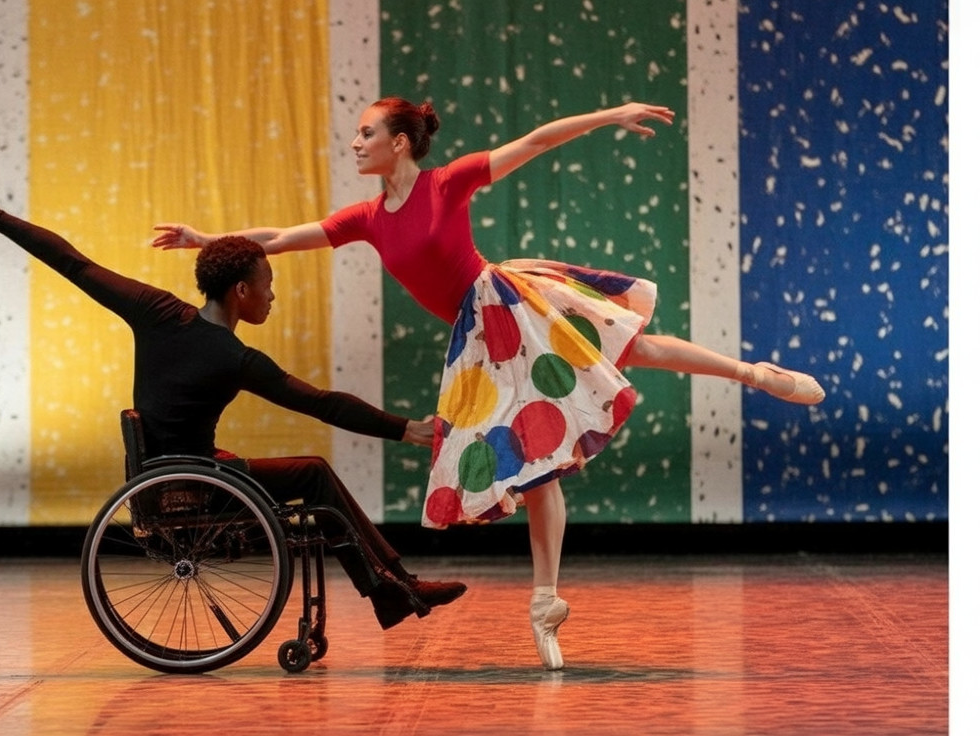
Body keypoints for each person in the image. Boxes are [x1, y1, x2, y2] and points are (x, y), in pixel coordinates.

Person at [150, 97, 826, 669]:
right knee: (538, 459)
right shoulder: (367, 219)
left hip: (505, 301)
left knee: (628, 344)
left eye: (366, 133)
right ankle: (546, 601)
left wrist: (612, 114)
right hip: (478, 338)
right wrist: (208, 238)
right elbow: (279, 235)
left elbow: (533, 141)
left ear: (401, 142)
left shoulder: (447, 184)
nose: (355, 142)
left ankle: (751, 373)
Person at [0, 181, 466, 631]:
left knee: (314, 477)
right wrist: (405, 429)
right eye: (268, 286)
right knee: (315, 478)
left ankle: (392, 589)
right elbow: (322, 404)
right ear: (240, 290)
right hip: (192, 489)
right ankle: (393, 589)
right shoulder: (235, 358)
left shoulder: (158, 312)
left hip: (167, 477)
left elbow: (72, 262)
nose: (272, 297)